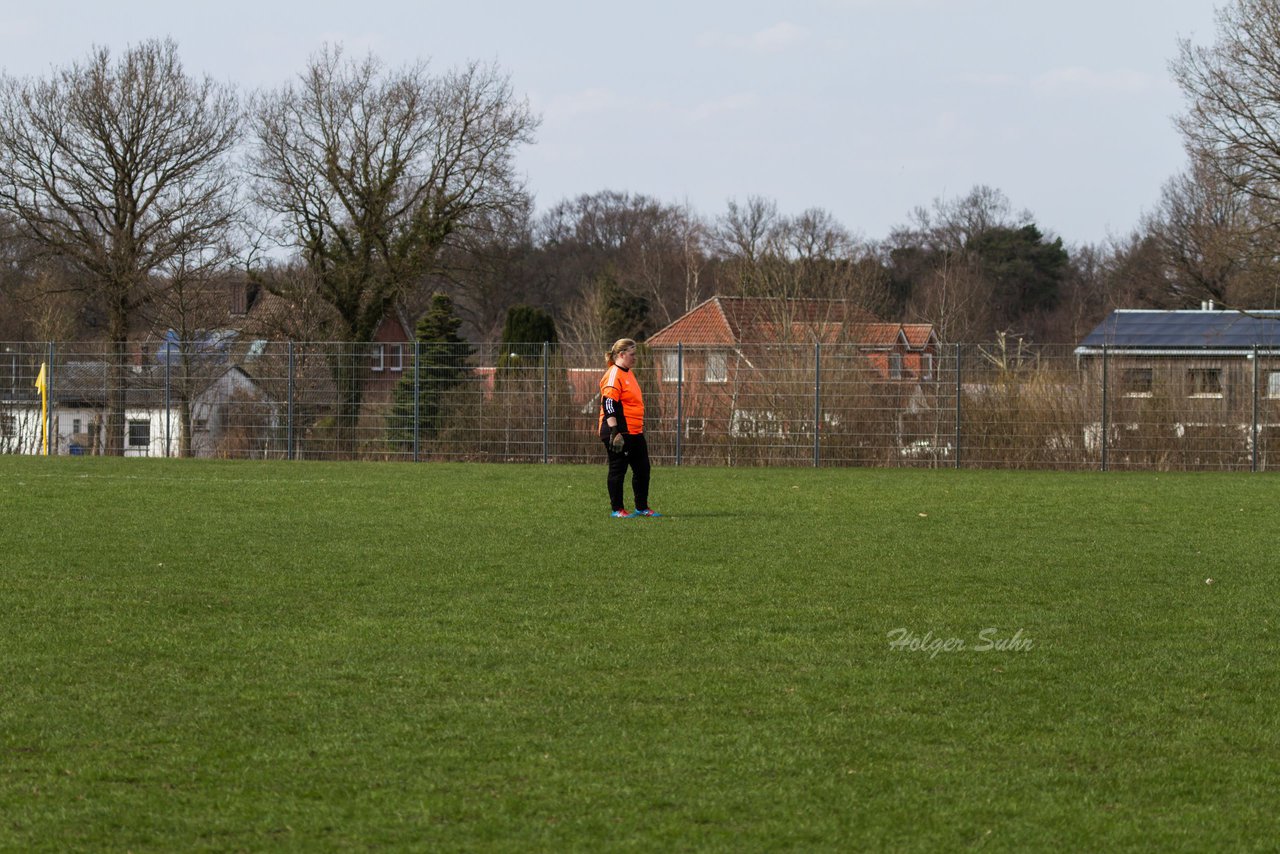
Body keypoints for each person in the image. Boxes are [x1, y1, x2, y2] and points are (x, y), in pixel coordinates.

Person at [598, 338, 661, 518]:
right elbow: (608, 404)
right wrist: (615, 432)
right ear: (621, 354)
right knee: (618, 470)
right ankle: (617, 510)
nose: (635, 358)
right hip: (618, 432)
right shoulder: (613, 374)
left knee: (643, 469)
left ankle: (641, 507)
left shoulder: (628, 373)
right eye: (632, 354)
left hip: (634, 431)